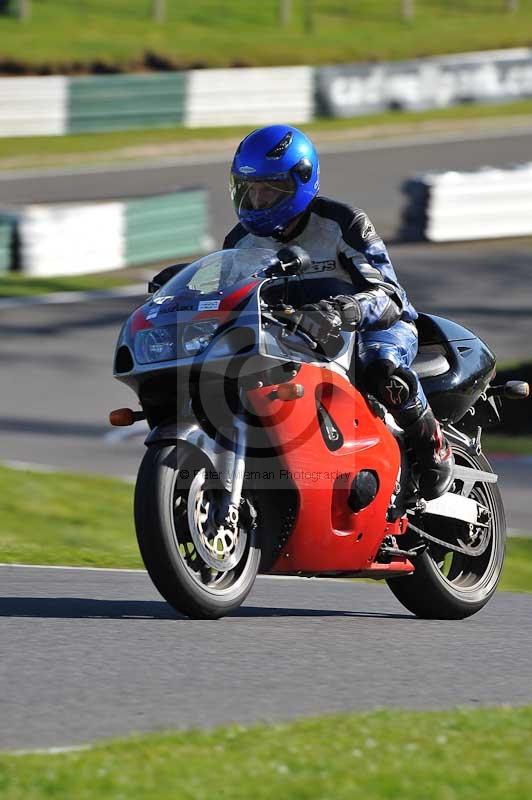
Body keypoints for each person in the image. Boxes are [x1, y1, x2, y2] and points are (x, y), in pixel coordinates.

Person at [223, 124, 454, 500]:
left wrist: (343, 310)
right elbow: (232, 300)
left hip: (372, 329)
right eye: (250, 188)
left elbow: (390, 295)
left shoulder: (342, 223)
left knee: (381, 367)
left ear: (300, 181)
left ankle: (431, 443)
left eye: (270, 188)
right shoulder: (238, 242)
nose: (259, 199)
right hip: (293, 339)